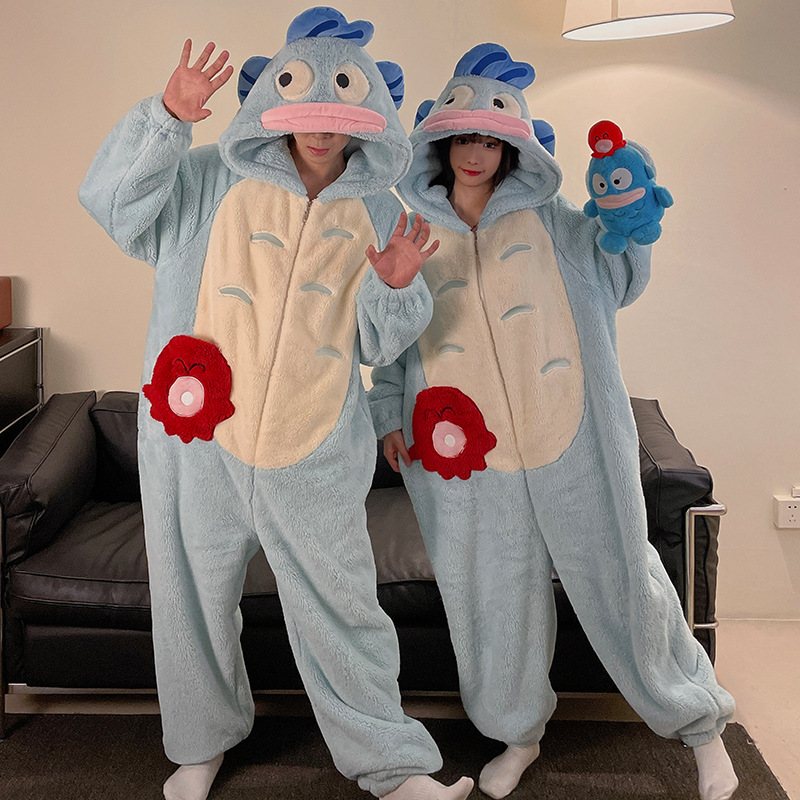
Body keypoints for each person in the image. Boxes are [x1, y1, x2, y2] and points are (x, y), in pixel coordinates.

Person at [79, 8, 474, 800]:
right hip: (197, 435)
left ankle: (393, 767)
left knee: (343, 608)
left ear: (366, 112)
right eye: (305, 108)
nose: (320, 130)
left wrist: (399, 288)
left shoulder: (381, 210)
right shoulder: (207, 181)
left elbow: (378, 343)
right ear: (274, 104)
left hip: (316, 445)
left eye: (338, 111)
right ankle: (199, 746)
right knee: (190, 600)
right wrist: (166, 120)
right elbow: (115, 209)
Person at [369, 42, 739, 800]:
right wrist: (384, 410)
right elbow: (394, 338)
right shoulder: (414, 232)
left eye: (491, 139)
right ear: (441, 143)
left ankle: (702, 728)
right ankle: (517, 735)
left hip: (573, 438)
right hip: (462, 451)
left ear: (513, 147)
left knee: (623, 576)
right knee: (489, 597)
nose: (476, 153)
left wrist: (630, 217)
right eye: (463, 137)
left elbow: (622, 279)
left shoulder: (562, 224)